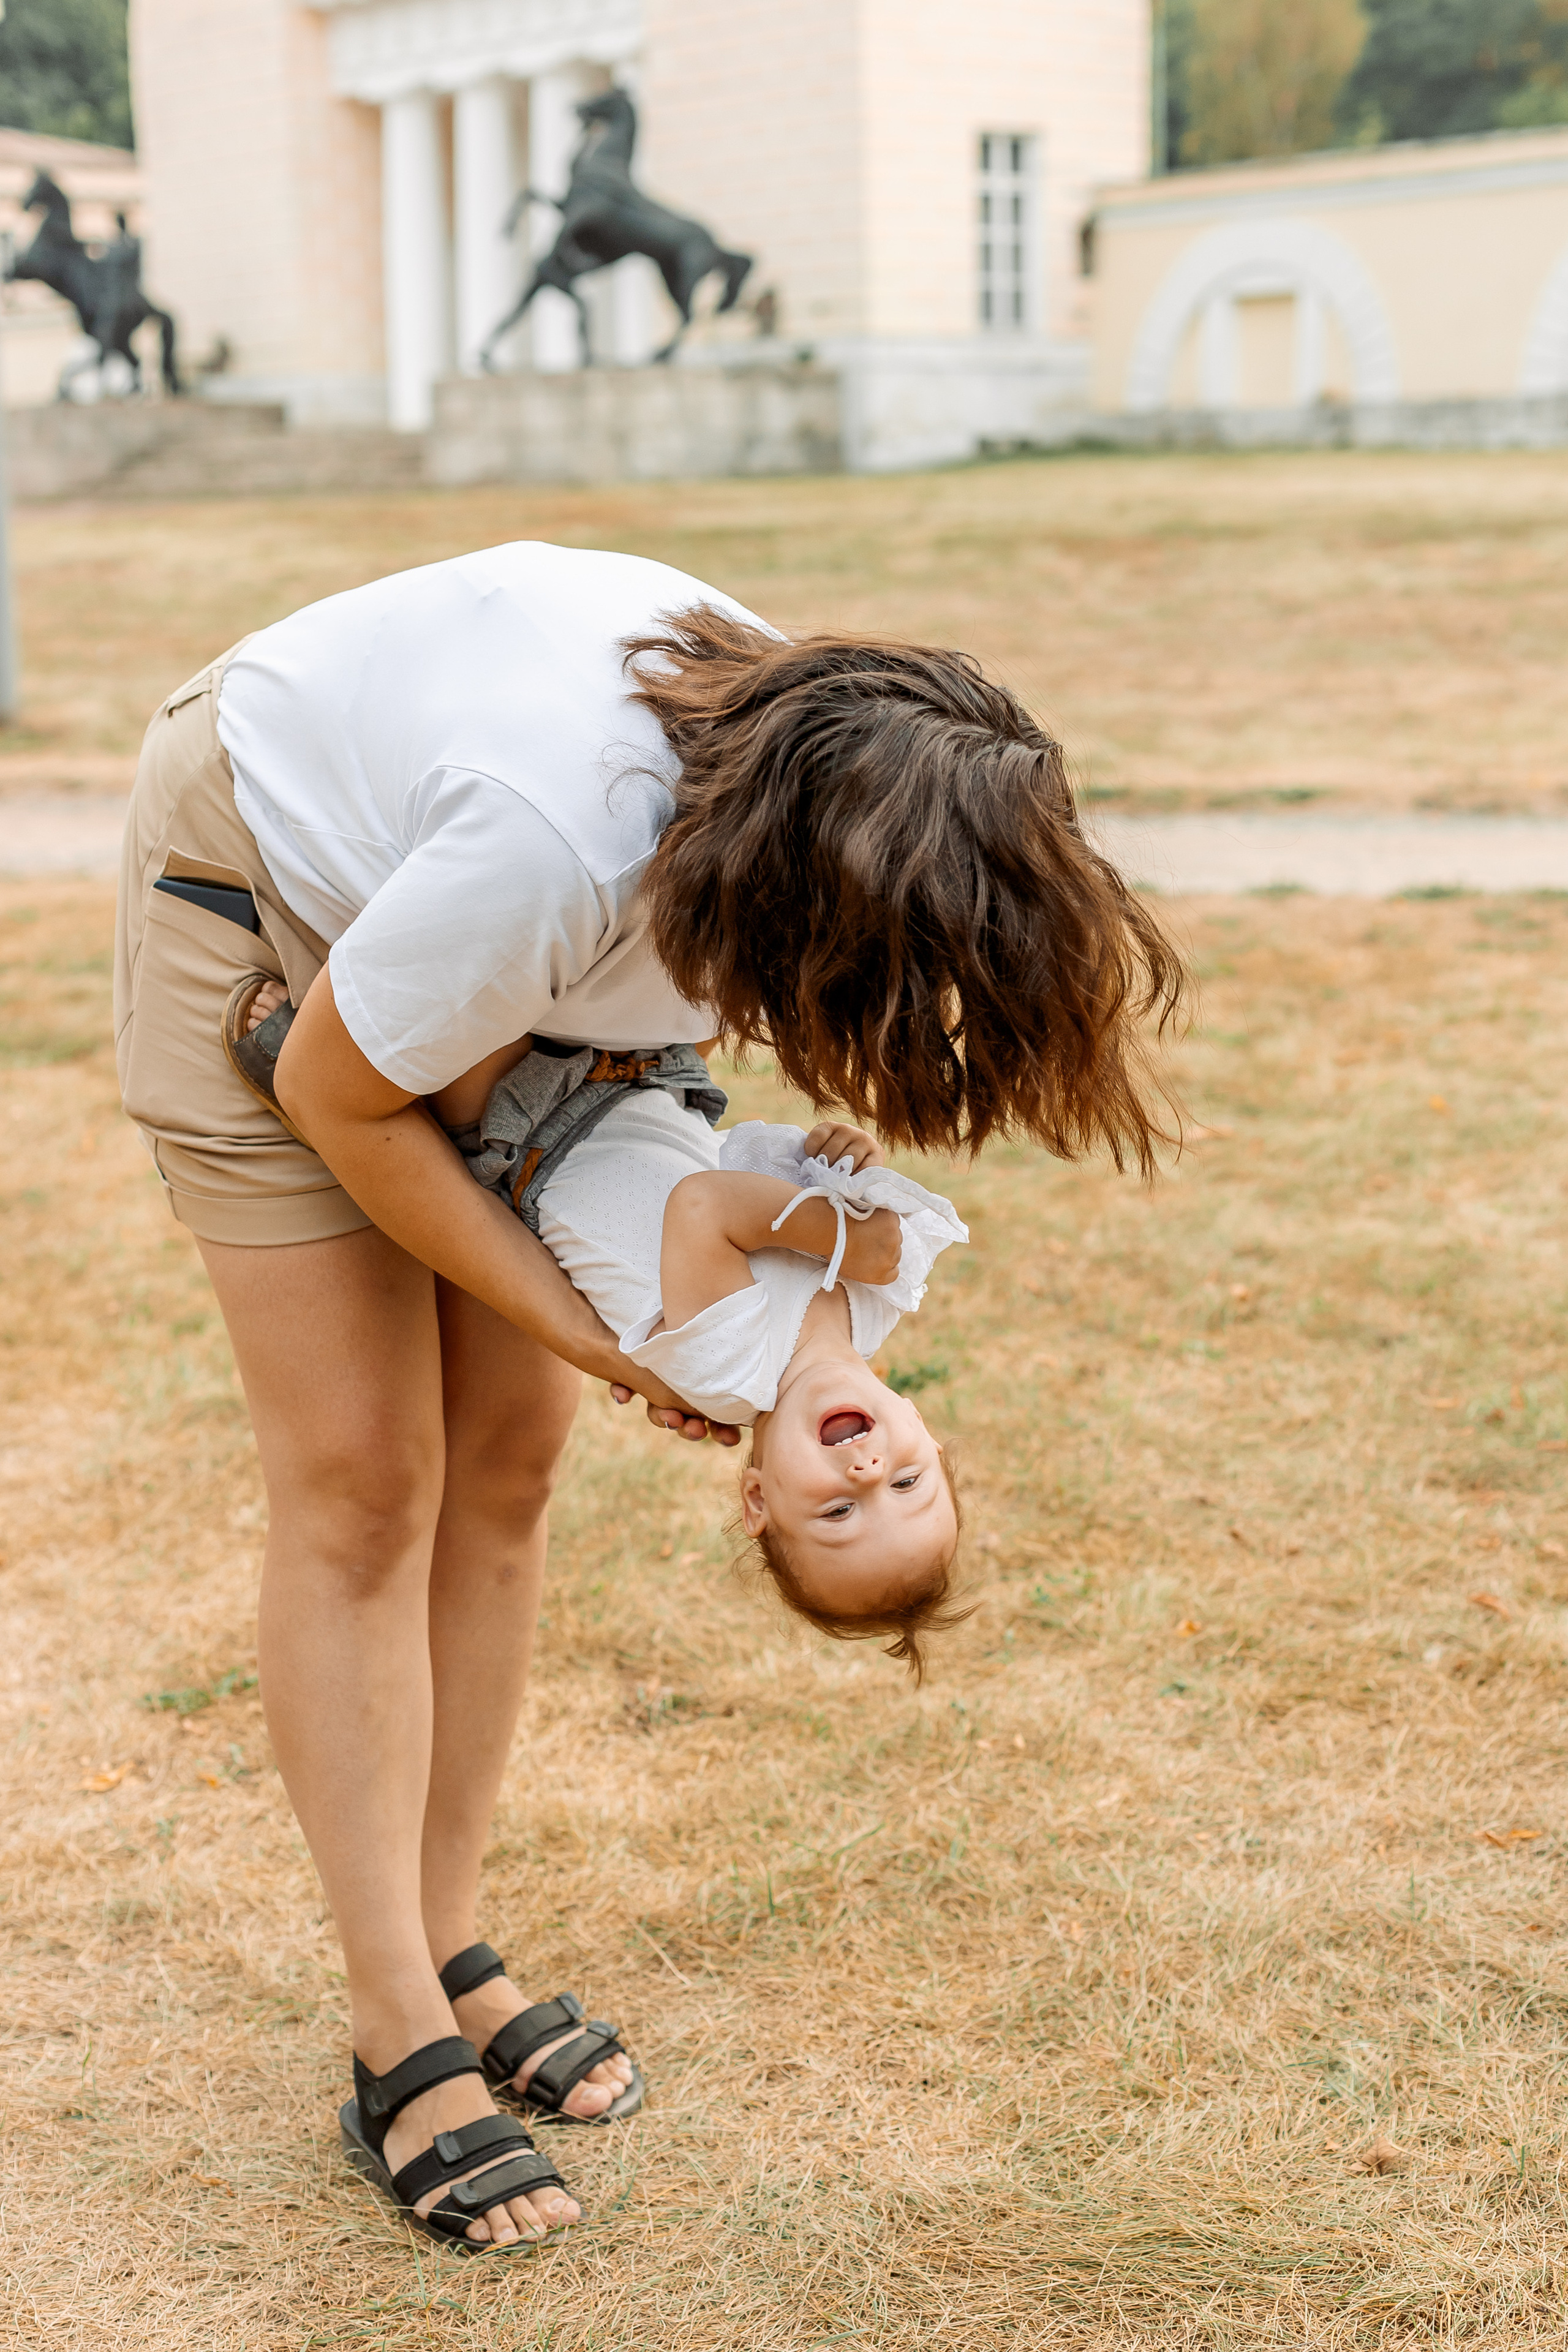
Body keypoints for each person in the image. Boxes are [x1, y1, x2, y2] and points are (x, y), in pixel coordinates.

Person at [114, 540, 1182, 2256]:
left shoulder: (823, 789)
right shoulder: (564, 845)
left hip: (521, 976)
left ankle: (444, 1931)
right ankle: (398, 2025)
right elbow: (342, 1095)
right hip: (279, 900)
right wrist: (610, 1337)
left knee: (511, 1473)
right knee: (369, 1481)